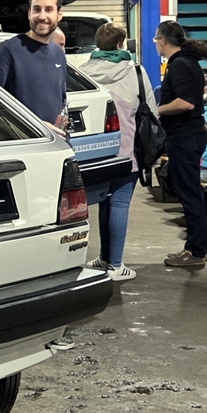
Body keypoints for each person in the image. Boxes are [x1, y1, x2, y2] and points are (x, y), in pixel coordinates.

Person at [79, 22, 147, 281]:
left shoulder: (83, 71)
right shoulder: (135, 71)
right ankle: (116, 265)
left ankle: (104, 257)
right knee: (119, 203)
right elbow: (150, 109)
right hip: (126, 149)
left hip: (95, 151)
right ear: (120, 44)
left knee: (104, 202)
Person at [154, 20, 207, 269]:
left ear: (163, 41)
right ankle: (196, 247)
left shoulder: (179, 64)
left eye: (156, 40)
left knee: (190, 194)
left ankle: (196, 250)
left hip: (184, 138)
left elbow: (186, 102)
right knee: (191, 192)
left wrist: (157, 110)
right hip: (189, 136)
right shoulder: (188, 61)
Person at [0, 0, 67, 127]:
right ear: (29, 13)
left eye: (48, 10)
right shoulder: (8, 51)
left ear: (59, 14)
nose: (42, 16)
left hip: (54, 139)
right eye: (36, 9)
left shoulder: (58, 54)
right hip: (23, 140)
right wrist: (36, 126)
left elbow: (61, 101)